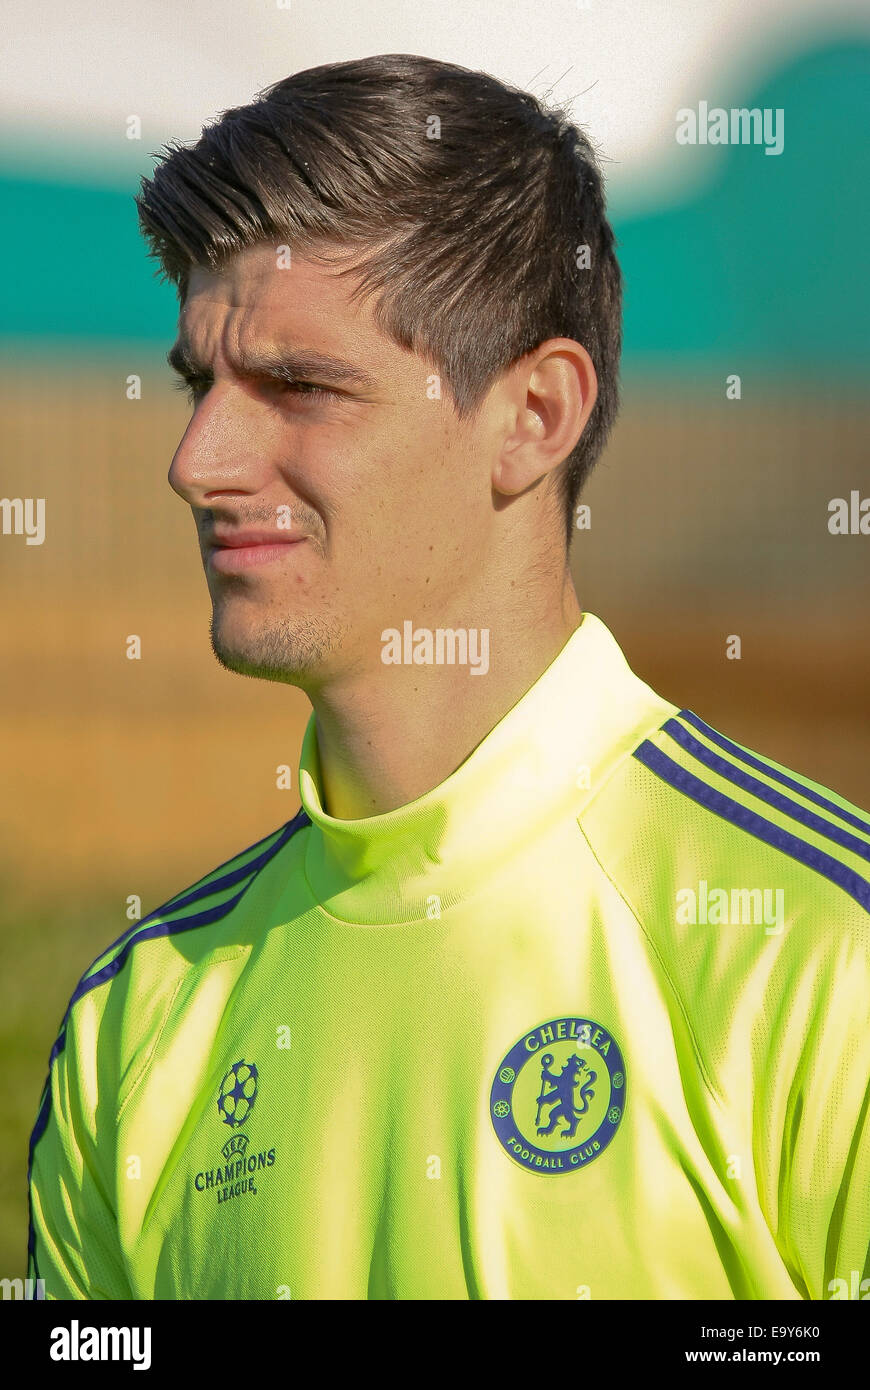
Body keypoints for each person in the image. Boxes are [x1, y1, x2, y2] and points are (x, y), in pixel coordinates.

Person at [28, 54, 868, 1301]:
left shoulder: (824, 959)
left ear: (535, 414)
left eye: (300, 385)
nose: (196, 459)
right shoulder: (130, 1023)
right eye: (200, 382)